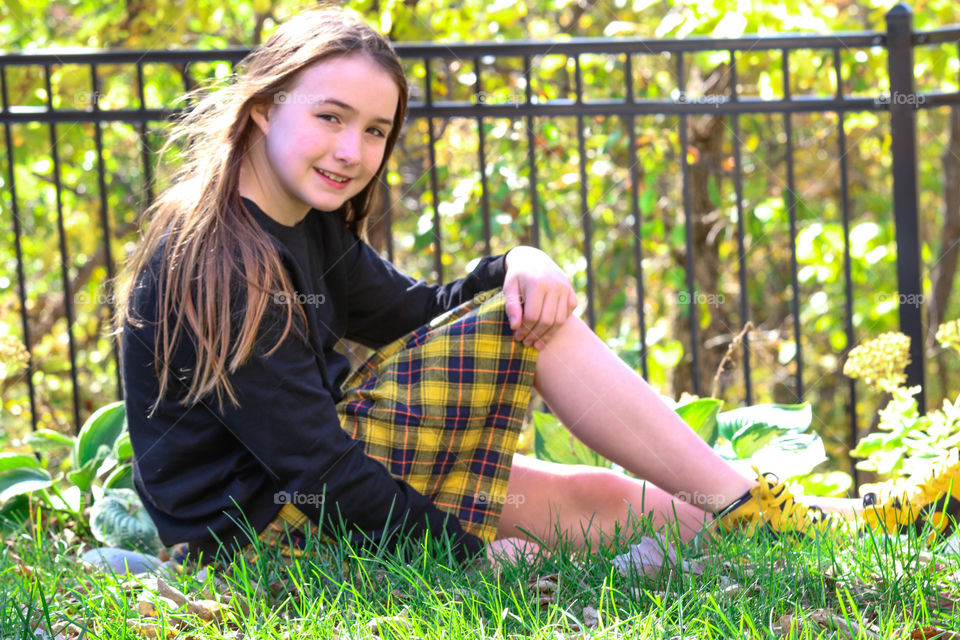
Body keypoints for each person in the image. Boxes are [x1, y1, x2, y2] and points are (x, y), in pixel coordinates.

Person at [115, 7, 959, 571]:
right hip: (265, 542)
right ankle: (761, 508)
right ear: (263, 107)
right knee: (539, 333)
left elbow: (409, 312)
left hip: (311, 496)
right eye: (330, 116)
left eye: (375, 130)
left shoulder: (305, 223)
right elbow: (314, 463)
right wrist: (464, 552)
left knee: (596, 496)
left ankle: (825, 527)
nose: (352, 149)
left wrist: (516, 263)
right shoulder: (218, 261)